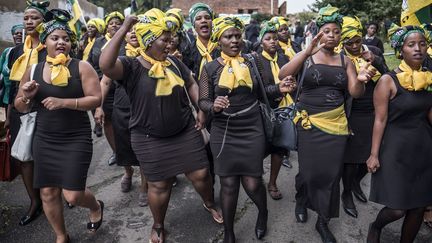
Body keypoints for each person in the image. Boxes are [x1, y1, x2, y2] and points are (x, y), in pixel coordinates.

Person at [99, 9, 223, 243]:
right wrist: (124, 28)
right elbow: (105, 65)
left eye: (171, 39)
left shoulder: (174, 63)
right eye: (164, 40)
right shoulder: (131, 67)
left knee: (201, 174)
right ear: (148, 41)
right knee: (159, 184)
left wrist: (200, 109)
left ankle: (209, 203)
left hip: (185, 130)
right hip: (149, 137)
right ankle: (158, 225)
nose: (170, 44)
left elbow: (191, 83)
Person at [199, 16, 295, 242]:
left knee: (252, 183)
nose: (234, 40)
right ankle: (230, 232)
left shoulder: (252, 62)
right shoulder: (210, 68)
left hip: (252, 128)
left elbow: (264, 92)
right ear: (218, 40)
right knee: (229, 184)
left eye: (237, 36)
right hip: (224, 131)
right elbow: (202, 101)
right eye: (228, 36)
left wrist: (279, 88)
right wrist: (213, 106)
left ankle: (263, 212)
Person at [279, 5, 370, 243]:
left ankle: (323, 220)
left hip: (337, 125)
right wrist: (306, 52)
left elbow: (355, 93)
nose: (332, 35)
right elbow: (282, 74)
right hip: (309, 124)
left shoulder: (345, 61)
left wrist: (360, 80)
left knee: (330, 175)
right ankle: (301, 199)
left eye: (336, 31)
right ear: (318, 33)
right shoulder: (307, 56)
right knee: (309, 173)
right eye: (327, 31)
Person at [13, 9, 103, 243]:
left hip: (76, 138)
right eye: (55, 38)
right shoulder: (32, 70)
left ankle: (95, 205)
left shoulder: (82, 67)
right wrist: (26, 96)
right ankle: (61, 236)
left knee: (72, 195)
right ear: (45, 43)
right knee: (48, 192)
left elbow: (96, 99)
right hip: (45, 139)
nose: (61, 42)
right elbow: (19, 107)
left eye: (66, 38)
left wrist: (64, 102)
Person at [366, 24, 432, 243]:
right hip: (395, 149)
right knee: (397, 209)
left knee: (418, 206)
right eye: (411, 44)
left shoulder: (429, 79)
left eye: (422, 44)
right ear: (400, 50)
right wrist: (374, 154)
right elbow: (380, 119)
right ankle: (375, 227)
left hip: (423, 149)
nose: (418, 49)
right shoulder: (388, 81)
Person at [339, 16, 389, 219]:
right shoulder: (339, 57)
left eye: (357, 41)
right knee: (351, 160)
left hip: (375, 111)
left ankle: (356, 183)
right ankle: (346, 193)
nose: (353, 46)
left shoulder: (374, 51)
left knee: (372, 156)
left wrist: (375, 60)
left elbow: (387, 75)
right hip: (352, 112)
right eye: (348, 43)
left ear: (362, 38)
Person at [7, 0, 50, 226]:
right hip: (19, 110)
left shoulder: (51, 49)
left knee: (47, 154)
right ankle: (34, 202)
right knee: (25, 158)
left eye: (35, 18)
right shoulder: (15, 51)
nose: (29, 21)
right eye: (26, 18)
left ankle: (55, 193)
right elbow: (10, 86)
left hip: (45, 109)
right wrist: (8, 111)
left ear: (44, 22)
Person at [95, 28, 148, 206]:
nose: (134, 33)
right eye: (130, 31)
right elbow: (105, 81)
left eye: (137, 31)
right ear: (124, 35)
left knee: (144, 148)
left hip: (144, 106)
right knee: (123, 145)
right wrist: (99, 106)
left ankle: (144, 186)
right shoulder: (118, 54)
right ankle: (128, 173)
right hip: (122, 106)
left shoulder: (150, 53)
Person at [257, 22, 291, 200]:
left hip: (283, 109)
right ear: (261, 41)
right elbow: (259, 89)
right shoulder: (256, 60)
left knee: (279, 148)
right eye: (268, 38)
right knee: (260, 148)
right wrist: (278, 89)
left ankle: (272, 182)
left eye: (275, 38)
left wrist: (290, 87)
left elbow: (293, 79)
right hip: (263, 110)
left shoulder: (284, 58)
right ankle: (256, 183)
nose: (272, 42)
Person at [88, 11, 126, 166]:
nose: (114, 25)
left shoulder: (128, 41)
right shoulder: (98, 42)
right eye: (111, 23)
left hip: (122, 88)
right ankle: (116, 152)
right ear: (106, 26)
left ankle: (130, 152)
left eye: (118, 22)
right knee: (108, 121)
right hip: (102, 87)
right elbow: (90, 63)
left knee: (125, 121)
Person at [184, 3, 218, 80]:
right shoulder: (188, 51)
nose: (203, 21)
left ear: (212, 22)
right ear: (194, 25)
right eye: (198, 18)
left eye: (207, 17)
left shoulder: (221, 47)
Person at [0, 24, 24, 107]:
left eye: (21, 33)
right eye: (16, 33)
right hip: (7, 97)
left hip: (22, 98)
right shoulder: (7, 52)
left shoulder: (30, 53)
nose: (18, 35)